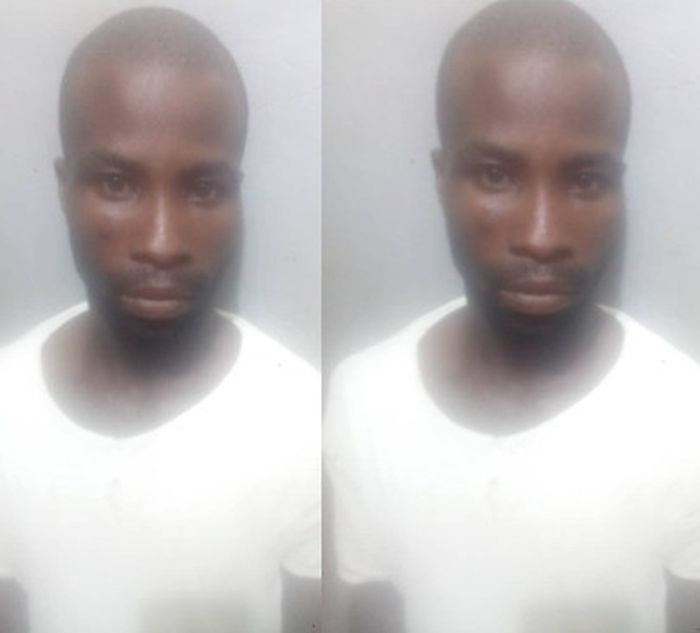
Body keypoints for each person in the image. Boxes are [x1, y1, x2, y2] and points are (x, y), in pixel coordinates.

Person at [325, 1, 700, 632]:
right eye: (497, 175)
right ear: (442, 179)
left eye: (586, 180)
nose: (541, 236)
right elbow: (372, 615)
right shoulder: (365, 399)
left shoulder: (685, 414)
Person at [0, 8, 319, 633]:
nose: (162, 243)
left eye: (204, 189)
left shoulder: (302, 420)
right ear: (65, 187)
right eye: (117, 183)